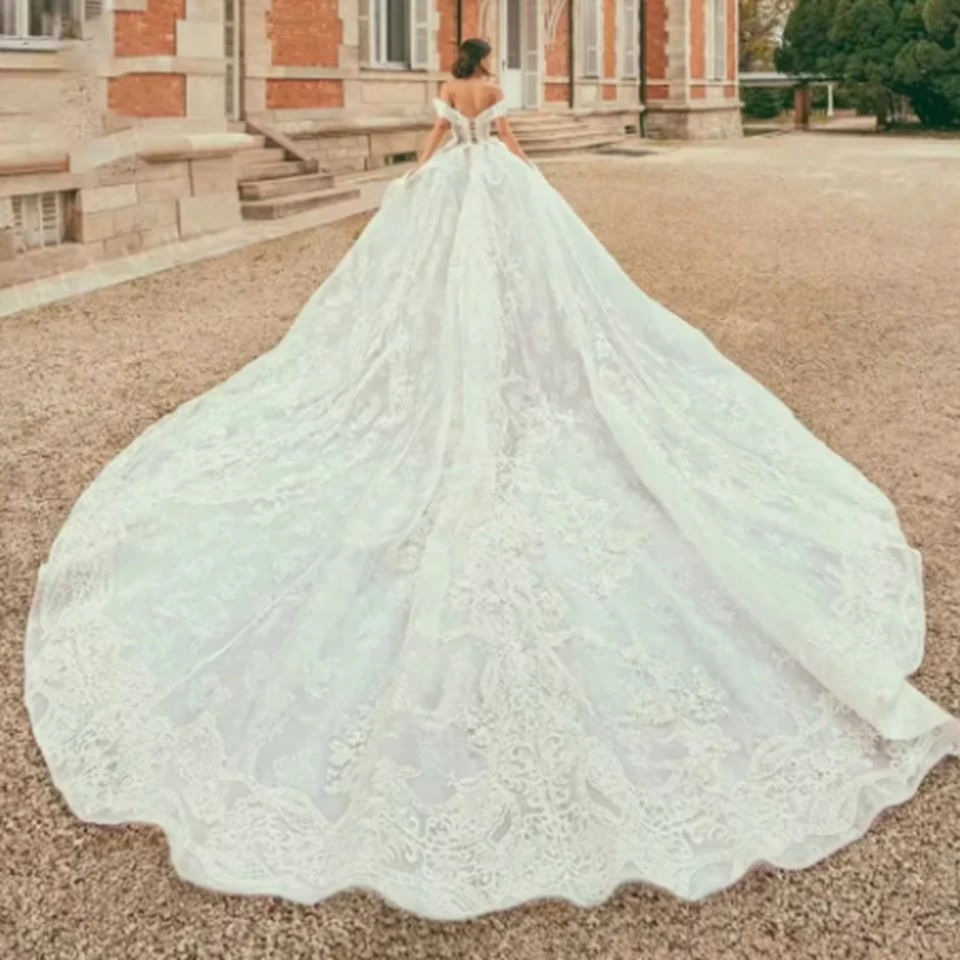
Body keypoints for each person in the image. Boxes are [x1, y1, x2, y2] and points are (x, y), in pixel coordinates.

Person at [24, 38, 958, 921]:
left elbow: (438, 143)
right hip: (498, 196)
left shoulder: (446, 95)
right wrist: (523, 175)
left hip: (451, 199)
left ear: (453, 71)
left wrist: (419, 176)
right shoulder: (496, 96)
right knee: (507, 296)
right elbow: (501, 140)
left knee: (442, 301)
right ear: (486, 71)